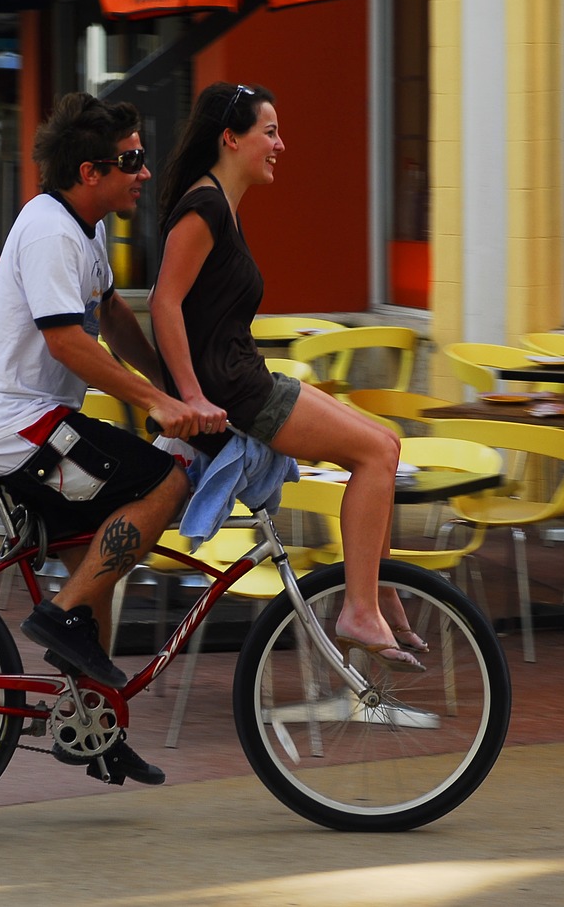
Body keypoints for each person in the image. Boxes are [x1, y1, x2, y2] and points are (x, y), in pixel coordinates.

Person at [0, 92, 202, 785]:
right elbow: (66, 340)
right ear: (91, 172)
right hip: (17, 426)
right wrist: (157, 402)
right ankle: (60, 619)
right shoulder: (50, 232)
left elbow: (113, 314)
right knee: (164, 479)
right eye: (132, 160)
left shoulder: (85, 229)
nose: (145, 172)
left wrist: (175, 387)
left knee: (103, 555)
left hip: (35, 422)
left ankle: (95, 724)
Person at [150, 81, 424, 672]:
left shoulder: (219, 205)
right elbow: (163, 303)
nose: (281, 144)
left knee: (387, 444)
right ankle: (357, 608)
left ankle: (374, 591)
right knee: (377, 455)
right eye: (269, 132)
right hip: (235, 392)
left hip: (244, 381)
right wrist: (190, 396)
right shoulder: (205, 207)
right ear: (232, 137)